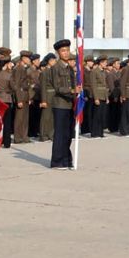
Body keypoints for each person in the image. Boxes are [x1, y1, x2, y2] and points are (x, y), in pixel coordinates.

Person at [46, 39, 76, 167]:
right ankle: (57, 161)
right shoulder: (55, 68)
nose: (66, 53)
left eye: (68, 50)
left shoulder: (69, 68)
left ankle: (66, 159)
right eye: (63, 51)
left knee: (68, 134)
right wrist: (72, 90)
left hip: (69, 104)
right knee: (60, 134)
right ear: (58, 52)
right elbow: (58, 88)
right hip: (60, 104)